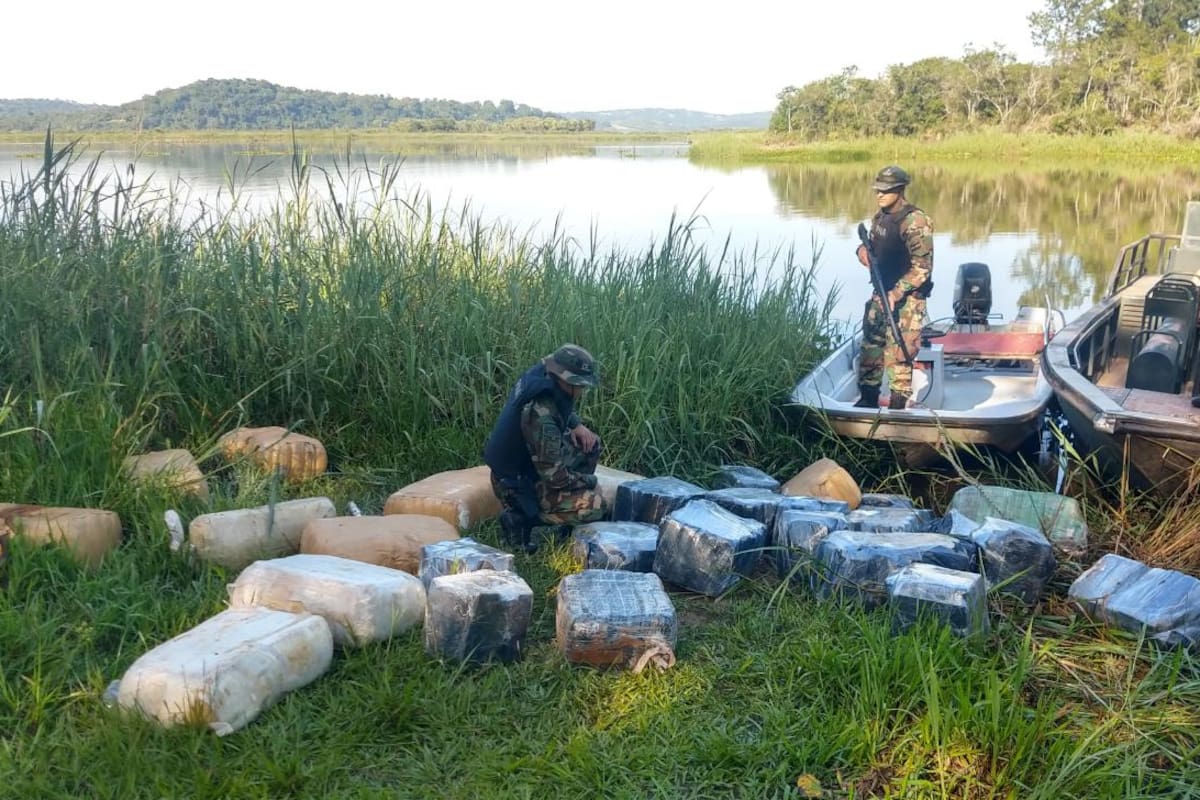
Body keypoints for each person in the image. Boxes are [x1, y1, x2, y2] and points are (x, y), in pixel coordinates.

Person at [483, 344, 607, 553]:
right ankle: (521, 518)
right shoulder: (542, 418)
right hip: (515, 485)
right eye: (581, 385)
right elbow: (555, 477)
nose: (582, 390)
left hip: (526, 466)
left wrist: (576, 425)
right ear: (567, 381)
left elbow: (558, 411)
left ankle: (564, 500)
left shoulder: (543, 375)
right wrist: (588, 481)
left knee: (590, 445)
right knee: (595, 505)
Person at [853, 165, 934, 411]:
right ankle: (867, 399)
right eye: (878, 190)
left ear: (900, 190)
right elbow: (874, 249)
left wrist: (896, 293)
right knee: (871, 347)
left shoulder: (915, 221)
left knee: (900, 352)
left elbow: (922, 268)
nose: (879, 195)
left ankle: (898, 406)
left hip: (907, 300)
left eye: (885, 191)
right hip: (880, 293)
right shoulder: (880, 218)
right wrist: (862, 252)